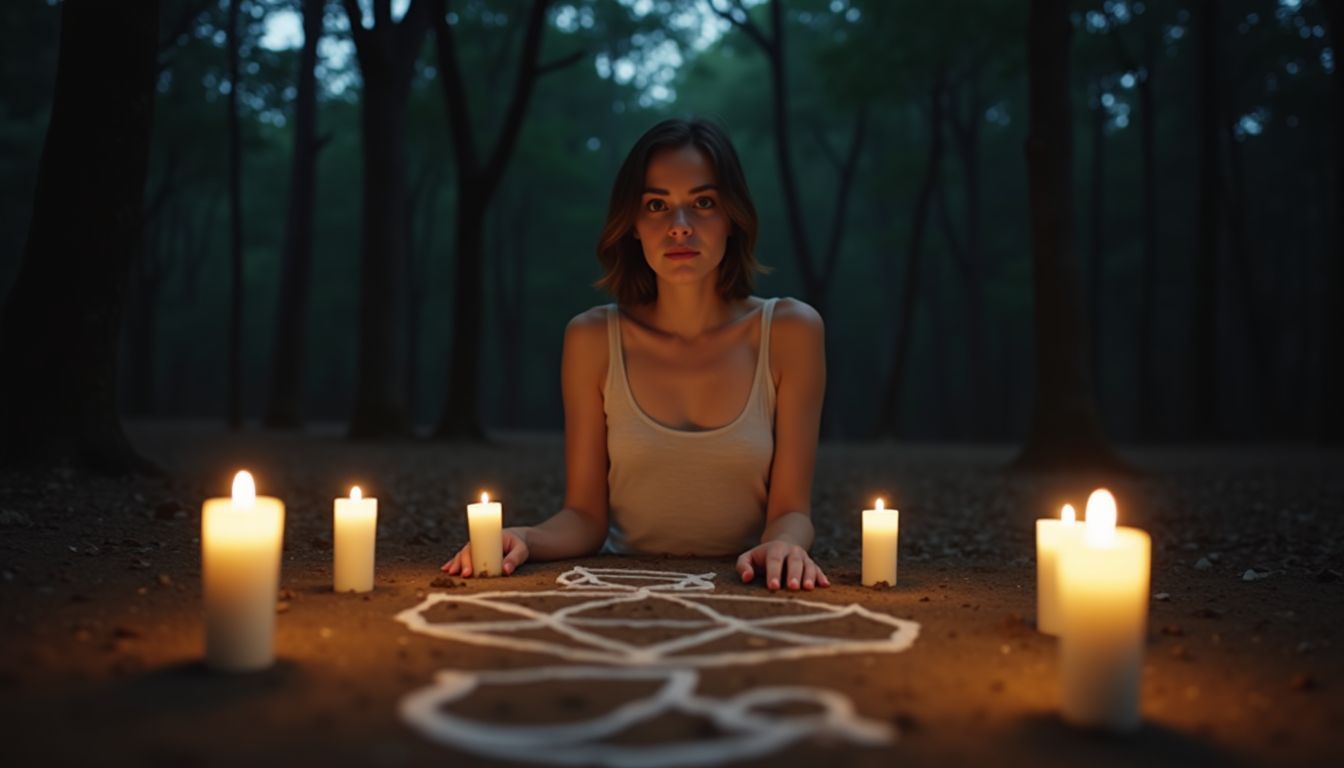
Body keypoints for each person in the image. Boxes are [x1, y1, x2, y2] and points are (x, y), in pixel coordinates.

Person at [442, 118, 829, 591]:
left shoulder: (790, 330)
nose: (680, 227)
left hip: (745, 584)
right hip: (621, 585)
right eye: (657, 205)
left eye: (703, 203)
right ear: (633, 225)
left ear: (732, 218)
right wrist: (525, 537)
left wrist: (786, 544)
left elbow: (792, 509)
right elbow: (585, 516)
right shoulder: (592, 339)